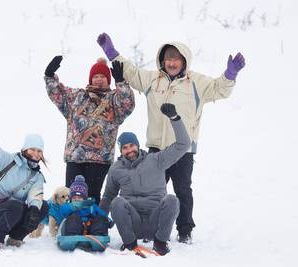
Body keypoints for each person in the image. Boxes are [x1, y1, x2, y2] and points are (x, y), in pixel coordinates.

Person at [97, 32, 246, 243]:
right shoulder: (152, 80)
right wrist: (111, 53)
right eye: (168, 58)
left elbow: (218, 89)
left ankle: (184, 230)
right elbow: (130, 72)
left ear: (184, 60)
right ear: (162, 60)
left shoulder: (196, 82)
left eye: (176, 58)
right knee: (151, 191)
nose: (171, 62)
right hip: (157, 148)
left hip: (182, 149)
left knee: (182, 190)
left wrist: (230, 75)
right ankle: (150, 226)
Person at [100, 103, 190, 257]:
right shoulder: (116, 169)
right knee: (117, 202)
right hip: (131, 223)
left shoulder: (156, 160)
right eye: (125, 148)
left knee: (172, 200)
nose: (129, 150)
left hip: (157, 221)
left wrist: (175, 118)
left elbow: (183, 145)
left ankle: (160, 243)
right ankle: (130, 244)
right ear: (121, 151)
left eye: (132, 145)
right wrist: (98, 224)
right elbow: (108, 197)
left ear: (137, 145)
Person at [44, 56, 135, 204]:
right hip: (75, 157)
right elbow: (58, 94)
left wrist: (121, 82)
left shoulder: (114, 100)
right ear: (90, 79)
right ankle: (72, 226)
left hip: (99, 160)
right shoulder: (77, 97)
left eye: (103, 76)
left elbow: (128, 104)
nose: (99, 79)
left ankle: (92, 227)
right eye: (96, 76)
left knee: (91, 198)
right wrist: (49, 76)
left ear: (108, 79)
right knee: (71, 198)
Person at [0, 112, 48, 251]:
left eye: (39, 151)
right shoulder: (9, 161)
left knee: (43, 206)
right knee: (15, 205)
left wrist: (35, 208)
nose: (36, 153)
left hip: (13, 216)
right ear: (25, 149)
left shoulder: (37, 176)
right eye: (33, 149)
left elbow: (36, 195)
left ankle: (15, 238)